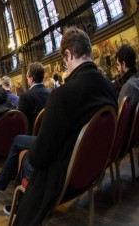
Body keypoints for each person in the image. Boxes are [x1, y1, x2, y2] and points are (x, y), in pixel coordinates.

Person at [7, 27, 117, 224]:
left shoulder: (63, 95)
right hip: (90, 172)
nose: (66, 67)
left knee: (27, 157)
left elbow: (41, 156)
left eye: (65, 62)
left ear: (68, 54)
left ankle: (20, 208)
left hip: (63, 180)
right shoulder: (110, 88)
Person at [17, 62, 50, 133]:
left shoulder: (25, 97)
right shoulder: (50, 93)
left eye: (27, 77)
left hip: (33, 136)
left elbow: (21, 123)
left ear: (31, 79)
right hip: (49, 132)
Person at [115, 44, 139, 109]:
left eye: (118, 65)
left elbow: (120, 118)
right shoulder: (136, 81)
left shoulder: (127, 88)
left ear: (124, 64)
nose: (118, 69)